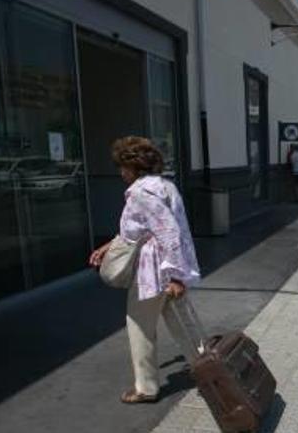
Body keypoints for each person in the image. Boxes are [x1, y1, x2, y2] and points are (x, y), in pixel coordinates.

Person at [88, 136, 201, 404]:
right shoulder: (164, 186)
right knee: (181, 320)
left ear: (133, 166)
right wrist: (109, 245)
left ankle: (146, 388)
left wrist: (174, 276)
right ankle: (206, 366)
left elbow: (168, 232)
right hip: (168, 267)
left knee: (139, 325)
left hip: (153, 270)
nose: (120, 172)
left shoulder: (140, 193)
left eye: (122, 167)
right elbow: (143, 228)